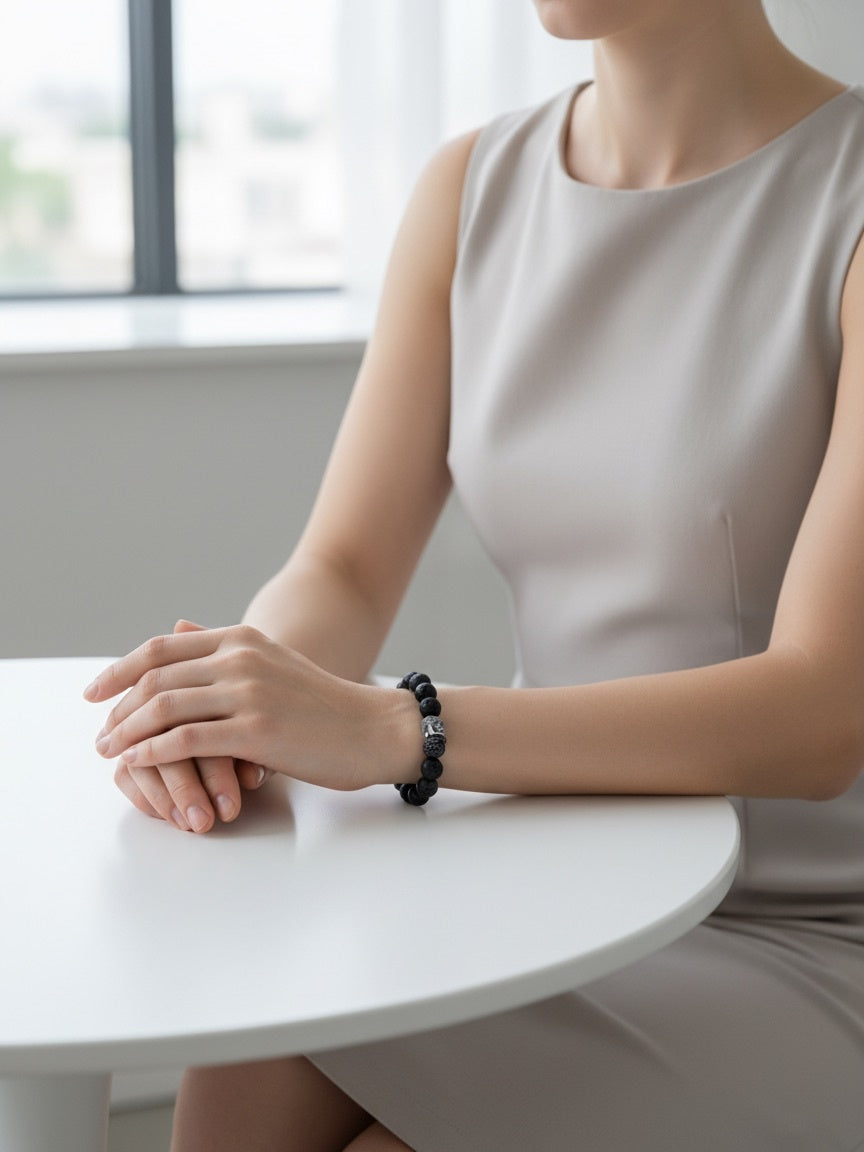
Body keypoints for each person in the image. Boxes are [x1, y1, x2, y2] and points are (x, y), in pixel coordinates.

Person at [85, 1, 864, 1147]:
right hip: (551, 884)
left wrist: (403, 730)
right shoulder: (473, 188)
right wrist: (245, 701)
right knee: (255, 1038)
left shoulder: (845, 200)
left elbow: (822, 712)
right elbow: (343, 567)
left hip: (808, 925)